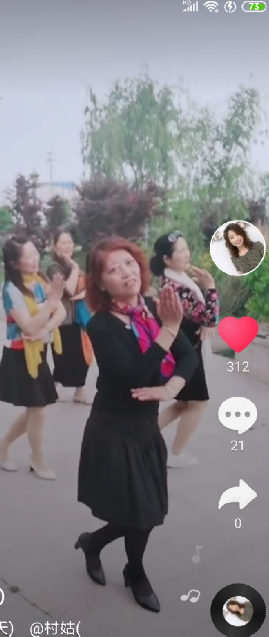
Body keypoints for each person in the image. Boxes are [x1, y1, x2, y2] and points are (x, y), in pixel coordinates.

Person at [75, 237, 197, 613]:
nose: (126, 272)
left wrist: (171, 388)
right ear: (101, 283)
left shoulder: (152, 310)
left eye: (129, 263)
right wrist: (168, 331)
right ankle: (135, 571)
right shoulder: (101, 326)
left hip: (145, 429)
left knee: (147, 510)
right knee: (138, 513)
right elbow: (133, 377)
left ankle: (94, 543)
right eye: (113, 269)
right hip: (114, 431)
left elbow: (188, 356)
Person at [0, 235, 66, 480]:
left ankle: (3, 445)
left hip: (38, 351)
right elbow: (28, 326)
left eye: (35, 253)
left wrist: (46, 328)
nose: (35, 259)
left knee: (36, 408)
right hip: (19, 354)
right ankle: (37, 458)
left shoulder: (39, 281)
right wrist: (50, 305)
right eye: (28, 256)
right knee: (38, 409)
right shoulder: (12, 290)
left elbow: (61, 313)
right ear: (14, 263)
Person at [150, 232, 219, 469]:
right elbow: (208, 317)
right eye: (180, 251)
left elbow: (205, 320)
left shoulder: (175, 280)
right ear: (167, 259)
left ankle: (141, 437)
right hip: (186, 350)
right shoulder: (176, 287)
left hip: (186, 346)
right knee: (198, 403)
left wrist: (207, 321)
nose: (187, 253)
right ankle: (175, 454)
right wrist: (210, 288)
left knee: (182, 403)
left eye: (186, 248)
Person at [47, 230, 93, 404]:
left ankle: (79, 391)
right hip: (62, 320)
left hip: (79, 318)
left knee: (83, 356)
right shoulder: (54, 268)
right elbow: (69, 290)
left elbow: (87, 287)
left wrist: (85, 293)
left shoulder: (74, 267)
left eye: (69, 242)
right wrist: (74, 269)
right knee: (62, 358)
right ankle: (51, 388)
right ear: (54, 246)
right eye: (63, 242)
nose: (67, 246)